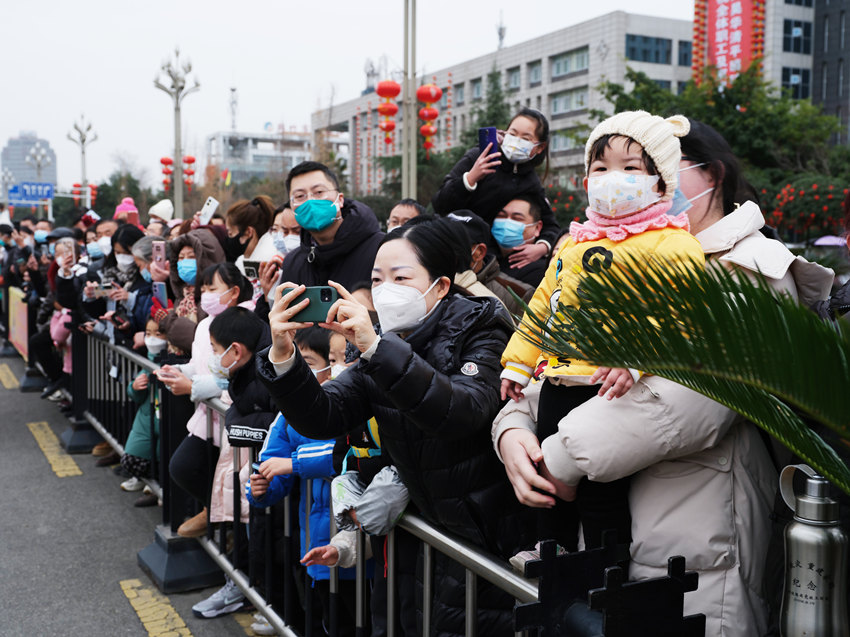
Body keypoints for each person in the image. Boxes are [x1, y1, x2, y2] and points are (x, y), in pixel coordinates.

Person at [494, 117, 834, 637]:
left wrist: (555, 456)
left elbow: (687, 400)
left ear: (712, 176)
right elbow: (565, 358)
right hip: (604, 540)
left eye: (648, 166)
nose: (623, 181)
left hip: (693, 553)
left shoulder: (753, 268)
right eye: (605, 168)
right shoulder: (614, 253)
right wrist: (515, 428)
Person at [258, 216, 535, 636]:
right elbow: (323, 416)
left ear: (440, 286)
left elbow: (462, 412)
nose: (386, 289)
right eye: (377, 279)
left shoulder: (482, 326)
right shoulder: (383, 341)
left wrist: (376, 348)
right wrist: (283, 355)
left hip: (489, 536)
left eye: (401, 277)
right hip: (418, 533)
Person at [499, 110, 704, 554]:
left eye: (630, 168)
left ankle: (603, 574)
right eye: (601, 167)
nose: (613, 178)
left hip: (609, 392)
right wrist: (517, 363)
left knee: (601, 495)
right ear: (586, 180)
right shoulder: (575, 242)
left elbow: (677, 313)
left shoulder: (673, 243)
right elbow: (543, 305)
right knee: (548, 481)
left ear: (662, 184)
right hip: (555, 382)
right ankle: (550, 557)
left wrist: (634, 358)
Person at [248, 326, 363, 637]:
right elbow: (270, 461)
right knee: (327, 621)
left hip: (363, 552)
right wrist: (261, 488)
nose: (300, 371)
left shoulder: (362, 403)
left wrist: (295, 464)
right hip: (317, 547)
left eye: (309, 363)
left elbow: (350, 453)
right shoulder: (290, 412)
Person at [191, 306, 274, 621]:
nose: (214, 357)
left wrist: (238, 423)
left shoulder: (268, 373)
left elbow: (274, 421)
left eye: (215, 350)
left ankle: (270, 604)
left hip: (271, 477)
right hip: (252, 473)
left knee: (268, 540)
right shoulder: (248, 370)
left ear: (236, 350)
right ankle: (253, 593)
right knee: (251, 532)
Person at [431, 107, 560, 269]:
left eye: (525, 138)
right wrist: (471, 178)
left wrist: (542, 247)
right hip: (450, 245)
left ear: (540, 147)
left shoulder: (531, 182)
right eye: (513, 134)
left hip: (488, 260)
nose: (516, 141)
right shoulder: (479, 156)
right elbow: (440, 203)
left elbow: (551, 225)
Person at [276, 161, 384, 290]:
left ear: (340, 199)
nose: (310, 201)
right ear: (291, 206)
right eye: (300, 196)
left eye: (319, 192)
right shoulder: (292, 263)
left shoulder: (380, 249)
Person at [447, 210, 533, 316]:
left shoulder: (519, 294)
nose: (442, 249)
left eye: (454, 245)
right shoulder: (433, 279)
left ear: (479, 252)